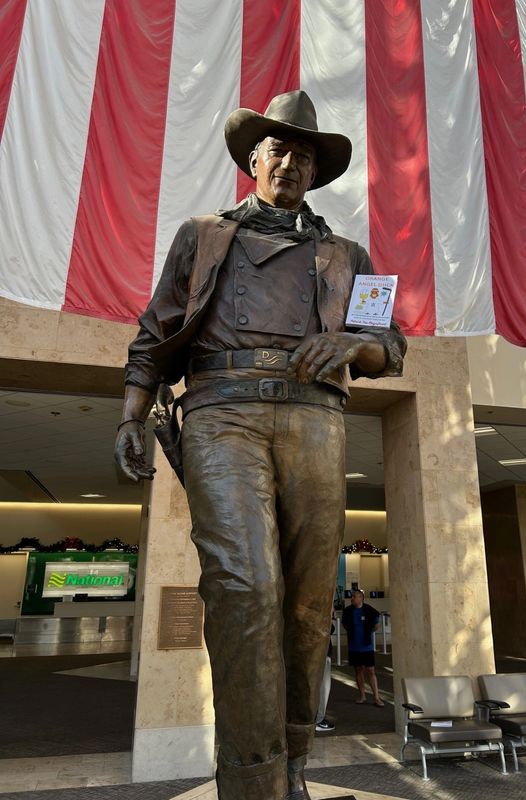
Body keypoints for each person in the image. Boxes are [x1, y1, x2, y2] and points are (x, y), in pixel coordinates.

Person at [114, 90, 406, 800]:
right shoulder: (204, 235)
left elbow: (390, 347)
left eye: (304, 154)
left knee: (309, 604)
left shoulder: (346, 254)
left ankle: (295, 761)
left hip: (315, 417)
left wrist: (353, 343)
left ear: (315, 173)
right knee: (246, 588)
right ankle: (250, 781)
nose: (292, 162)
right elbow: (155, 330)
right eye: (279, 149)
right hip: (222, 411)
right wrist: (132, 411)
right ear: (253, 160)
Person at [341, 589, 384, 706]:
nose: (352, 598)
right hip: (354, 646)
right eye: (352, 596)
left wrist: (368, 632)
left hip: (367, 646)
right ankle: (362, 696)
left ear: (361, 598)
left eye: (355, 596)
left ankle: (376, 697)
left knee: (371, 671)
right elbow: (344, 624)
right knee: (358, 670)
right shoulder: (348, 611)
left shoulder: (369, 610)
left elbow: (376, 624)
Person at [315, 608, 336, 732]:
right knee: (324, 687)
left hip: (316, 654)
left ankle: (317, 718)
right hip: (322, 654)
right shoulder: (320, 612)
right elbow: (328, 629)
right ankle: (319, 720)